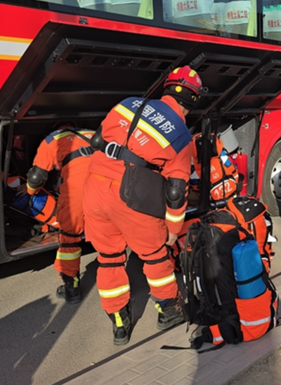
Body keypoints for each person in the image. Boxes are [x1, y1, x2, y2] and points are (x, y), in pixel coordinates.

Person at [83, 65, 202, 345]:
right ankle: (168, 310)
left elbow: (97, 139)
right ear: (193, 101)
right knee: (156, 255)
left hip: (95, 186)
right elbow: (176, 191)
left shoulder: (128, 104)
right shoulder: (182, 136)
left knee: (109, 257)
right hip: (130, 195)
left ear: (166, 88)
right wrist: (173, 227)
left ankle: (119, 323)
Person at [24, 122, 94, 304]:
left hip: (76, 191)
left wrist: (30, 191)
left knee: (70, 237)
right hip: (106, 185)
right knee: (110, 236)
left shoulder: (52, 139)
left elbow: (37, 177)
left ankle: (71, 288)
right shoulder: (93, 133)